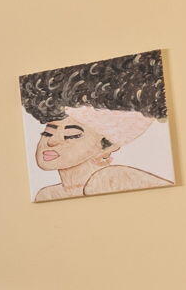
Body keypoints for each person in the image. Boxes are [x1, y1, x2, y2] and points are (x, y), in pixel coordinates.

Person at [20, 51, 173, 201]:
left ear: (106, 148)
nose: (52, 141)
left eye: (71, 135)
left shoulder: (110, 180)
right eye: (47, 133)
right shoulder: (47, 195)